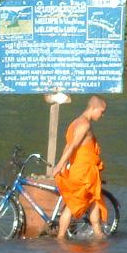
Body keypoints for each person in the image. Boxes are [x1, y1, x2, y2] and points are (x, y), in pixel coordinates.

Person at [52, 95, 108, 240]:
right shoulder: (84, 125)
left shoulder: (75, 122)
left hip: (86, 169)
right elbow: (72, 146)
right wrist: (59, 165)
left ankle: (98, 233)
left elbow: (68, 146)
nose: (102, 115)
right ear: (93, 108)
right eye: (102, 111)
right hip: (83, 171)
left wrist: (63, 164)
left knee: (93, 199)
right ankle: (60, 237)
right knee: (72, 204)